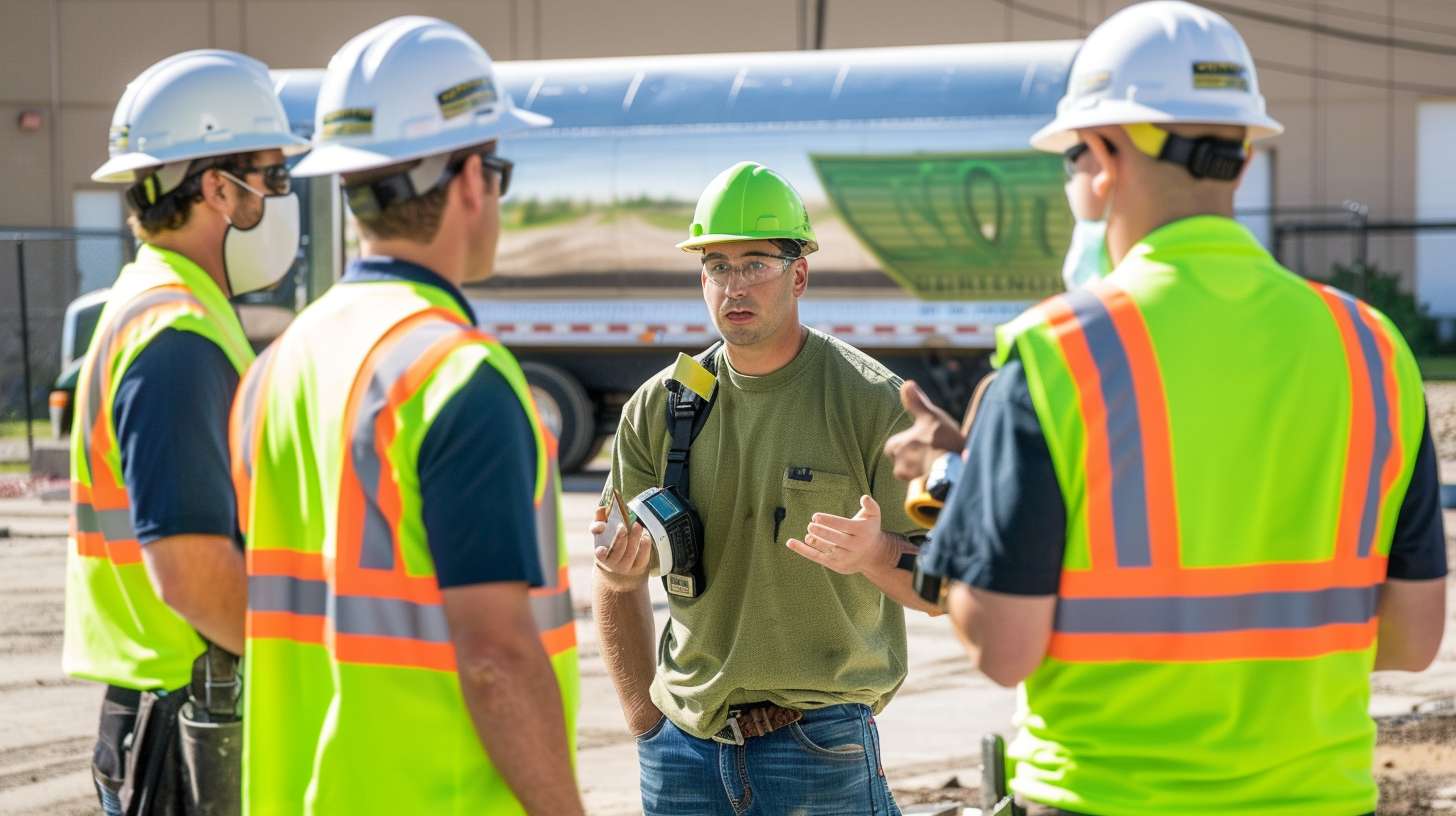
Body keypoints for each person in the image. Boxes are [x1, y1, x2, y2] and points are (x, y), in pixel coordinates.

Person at [902, 3, 1448, 815]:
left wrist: (952, 482)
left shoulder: (1059, 356)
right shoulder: (1372, 348)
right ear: (1239, 156)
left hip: (1103, 795)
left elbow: (1004, 649)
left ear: (1104, 155)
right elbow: (1411, 641)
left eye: (1072, 157)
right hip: (1318, 797)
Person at [229, 16, 582, 815]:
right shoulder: (456, 376)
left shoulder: (277, 365)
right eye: (498, 168)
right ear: (467, 179)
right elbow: (494, 656)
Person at [593, 160, 936, 816]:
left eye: (755, 263)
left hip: (818, 746)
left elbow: (948, 591)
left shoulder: (872, 404)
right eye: (717, 266)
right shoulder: (658, 408)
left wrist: (876, 553)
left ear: (799, 274)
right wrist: (645, 719)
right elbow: (615, 579)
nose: (734, 285)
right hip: (683, 753)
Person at [62, 49, 307, 814]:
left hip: (168, 711)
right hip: (191, 729)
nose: (280, 198)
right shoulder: (178, 336)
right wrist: (306, 674)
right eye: (274, 178)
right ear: (217, 188)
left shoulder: (157, 305)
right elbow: (192, 574)